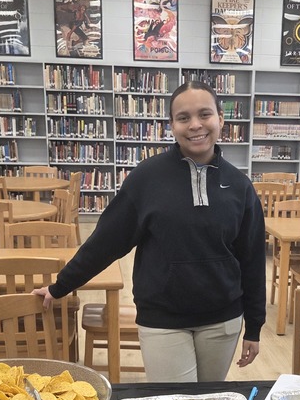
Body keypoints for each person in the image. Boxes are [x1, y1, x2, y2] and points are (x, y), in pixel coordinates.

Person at [34, 81, 266, 382]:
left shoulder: (239, 186)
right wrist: (60, 286)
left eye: (204, 114)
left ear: (220, 119)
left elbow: (252, 259)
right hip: (162, 320)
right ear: (171, 125)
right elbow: (106, 242)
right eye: (183, 118)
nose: (195, 125)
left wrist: (255, 326)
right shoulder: (146, 179)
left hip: (222, 321)